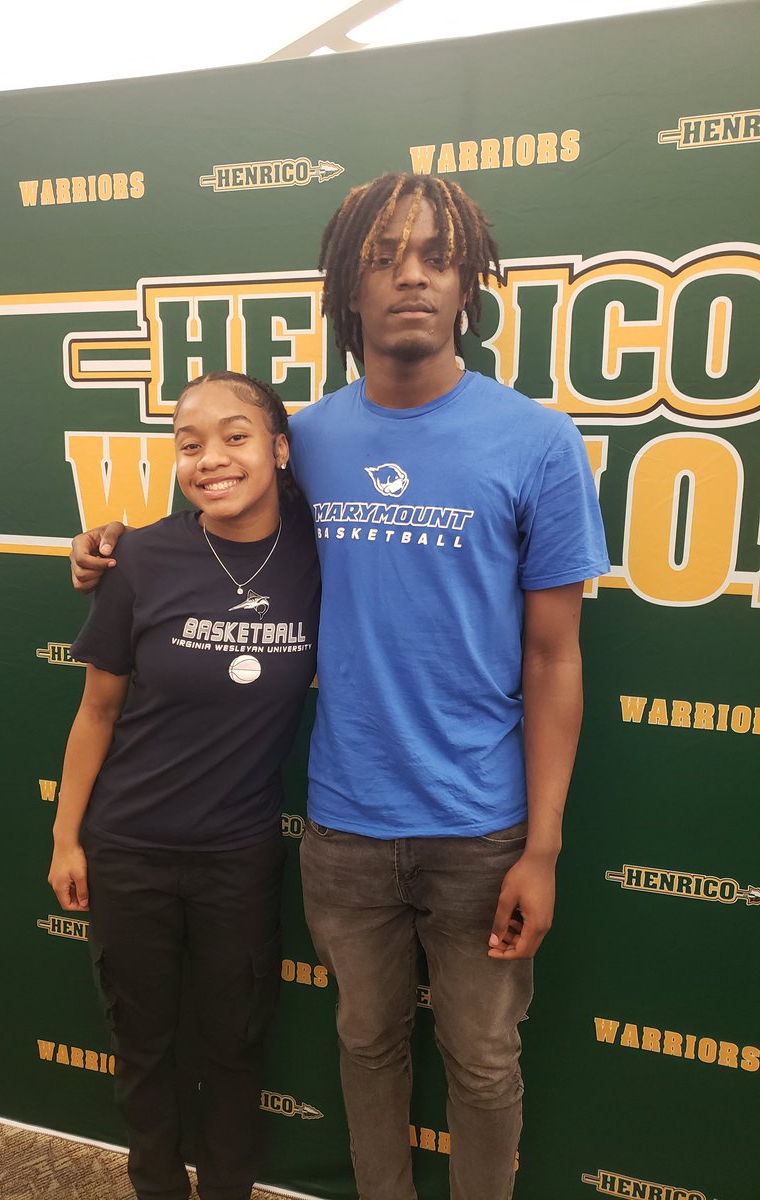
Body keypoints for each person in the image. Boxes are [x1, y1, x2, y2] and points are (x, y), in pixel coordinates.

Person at [70, 173, 610, 1200]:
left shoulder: (539, 443)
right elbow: (210, 519)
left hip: (481, 826)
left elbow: (555, 658)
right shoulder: (305, 437)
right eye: (382, 256)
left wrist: (542, 846)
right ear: (346, 291)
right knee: (365, 1049)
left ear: (468, 287)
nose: (410, 273)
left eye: (435, 256)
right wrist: (106, 546)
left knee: (486, 1066)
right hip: (345, 826)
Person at [50, 371, 320, 1200]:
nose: (211, 458)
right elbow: (97, 710)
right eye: (190, 443)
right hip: (128, 848)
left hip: (238, 856)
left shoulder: (325, 550)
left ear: (278, 448)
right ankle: (157, 1185)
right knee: (144, 1044)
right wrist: (67, 837)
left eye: (236, 436)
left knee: (235, 1046)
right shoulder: (141, 555)